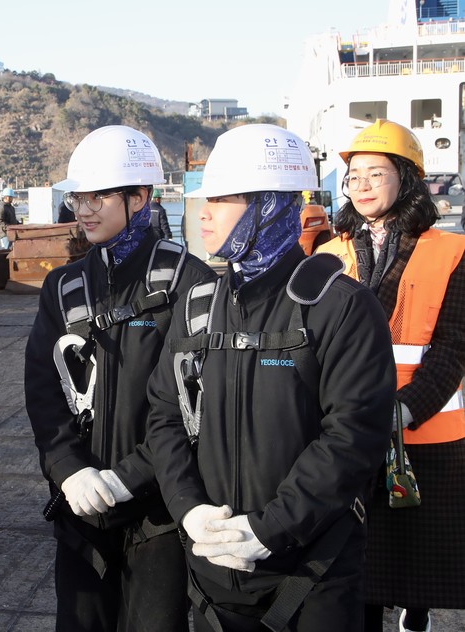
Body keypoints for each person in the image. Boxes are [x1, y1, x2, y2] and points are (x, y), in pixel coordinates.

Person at [146, 124, 396, 631]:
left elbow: (353, 436)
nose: (204, 213)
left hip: (313, 575)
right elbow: (165, 414)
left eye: (223, 199)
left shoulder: (341, 306)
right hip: (213, 575)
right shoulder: (197, 307)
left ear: (269, 205)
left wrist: (270, 529)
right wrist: (188, 509)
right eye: (206, 200)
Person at [25, 125, 217, 632]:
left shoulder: (189, 283)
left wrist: (126, 478)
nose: (84, 210)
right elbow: (43, 392)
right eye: (79, 198)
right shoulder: (63, 286)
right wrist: (69, 469)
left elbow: (193, 406)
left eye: (100, 197)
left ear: (141, 197)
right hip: (81, 510)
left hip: (160, 514)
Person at [317, 119, 465, 632]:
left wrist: (403, 409)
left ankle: (415, 616)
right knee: (355, 567)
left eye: (375, 174)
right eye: (354, 176)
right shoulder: (329, 254)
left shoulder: (451, 252)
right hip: (347, 429)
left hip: (423, 434)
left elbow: (453, 346)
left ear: (407, 178)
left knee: (413, 563)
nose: (361, 185)